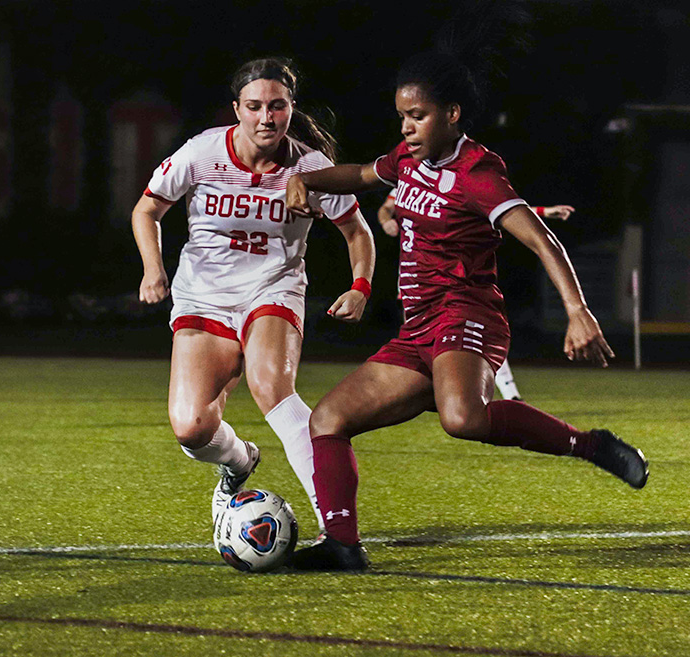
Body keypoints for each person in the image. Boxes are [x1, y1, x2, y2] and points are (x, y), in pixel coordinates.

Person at [283, 44, 648, 571]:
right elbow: (364, 175)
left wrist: (578, 311)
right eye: (402, 117)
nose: (407, 128)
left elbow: (543, 240)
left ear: (452, 114)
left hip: (467, 313)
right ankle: (342, 544)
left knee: (462, 418)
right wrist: (306, 179)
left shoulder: (479, 173)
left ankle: (592, 446)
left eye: (418, 116)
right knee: (327, 420)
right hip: (419, 329)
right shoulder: (408, 159)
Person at [131, 57, 376, 535]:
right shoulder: (203, 152)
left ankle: (336, 526)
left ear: (290, 108)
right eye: (255, 106)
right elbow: (147, 210)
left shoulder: (310, 166)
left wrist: (360, 286)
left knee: (273, 388)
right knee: (192, 428)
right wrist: (152, 269)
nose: (267, 117)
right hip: (203, 299)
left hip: (273, 290)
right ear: (237, 110)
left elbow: (358, 232)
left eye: (277, 106)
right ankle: (240, 461)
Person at [378, 191, 576, 401]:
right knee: (416, 337)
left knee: (478, 334)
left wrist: (544, 211)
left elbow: (500, 211)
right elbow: (385, 208)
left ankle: (509, 394)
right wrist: (385, 222)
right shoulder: (408, 182)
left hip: (454, 277)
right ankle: (428, 392)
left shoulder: (456, 182)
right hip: (415, 277)